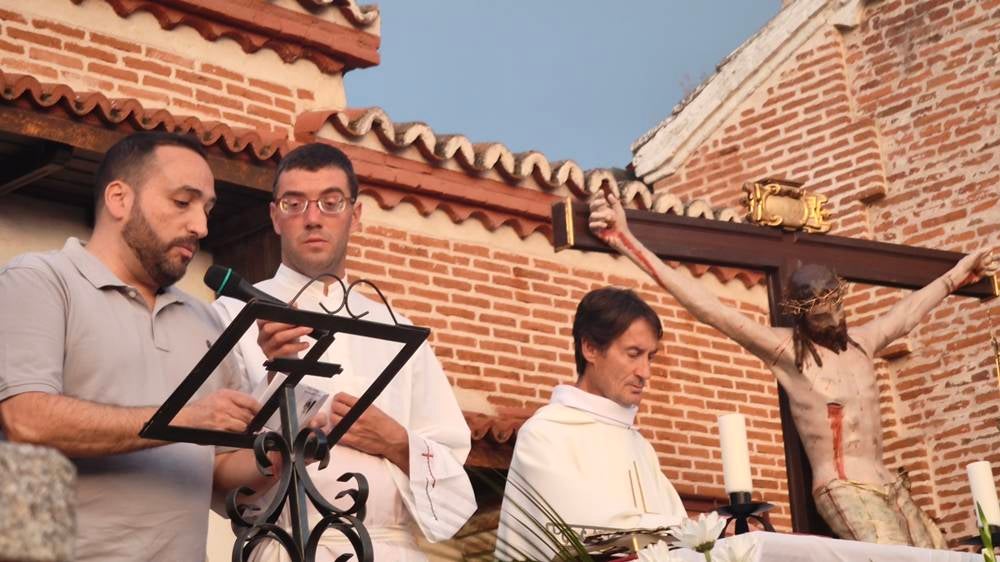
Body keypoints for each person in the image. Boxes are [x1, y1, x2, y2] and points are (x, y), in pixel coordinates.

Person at [588, 189, 999, 548]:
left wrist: (958, 275)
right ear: (802, 315)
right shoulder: (789, 352)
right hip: (843, 485)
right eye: (820, 314)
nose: (832, 318)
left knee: (941, 553)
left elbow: (908, 312)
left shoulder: (863, 342)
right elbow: (709, 307)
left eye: (836, 307)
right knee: (892, 556)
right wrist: (626, 240)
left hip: (889, 482)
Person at [0, 132, 278, 561]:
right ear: (118, 199)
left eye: (207, 210)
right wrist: (186, 419)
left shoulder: (206, 320)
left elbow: (224, 481)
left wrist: (283, 446)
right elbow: (27, 419)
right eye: (182, 202)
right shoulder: (40, 280)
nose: (200, 227)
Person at [213, 142, 476, 561]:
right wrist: (275, 385)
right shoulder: (230, 316)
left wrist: (394, 442)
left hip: (391, 549)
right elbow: (212, 461)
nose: (312, 218)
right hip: (285, 545)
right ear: (274, 216)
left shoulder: (397, 329)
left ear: (355, 214)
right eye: (293, 203)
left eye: (331, 203)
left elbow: (452, 465)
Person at [495, 287, 687, 562]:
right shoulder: (546, 434)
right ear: (590, 348)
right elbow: (585, 535)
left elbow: (683, 540)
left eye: (650, 357)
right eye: (633, 354)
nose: (645, 372)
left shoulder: (641, 448)